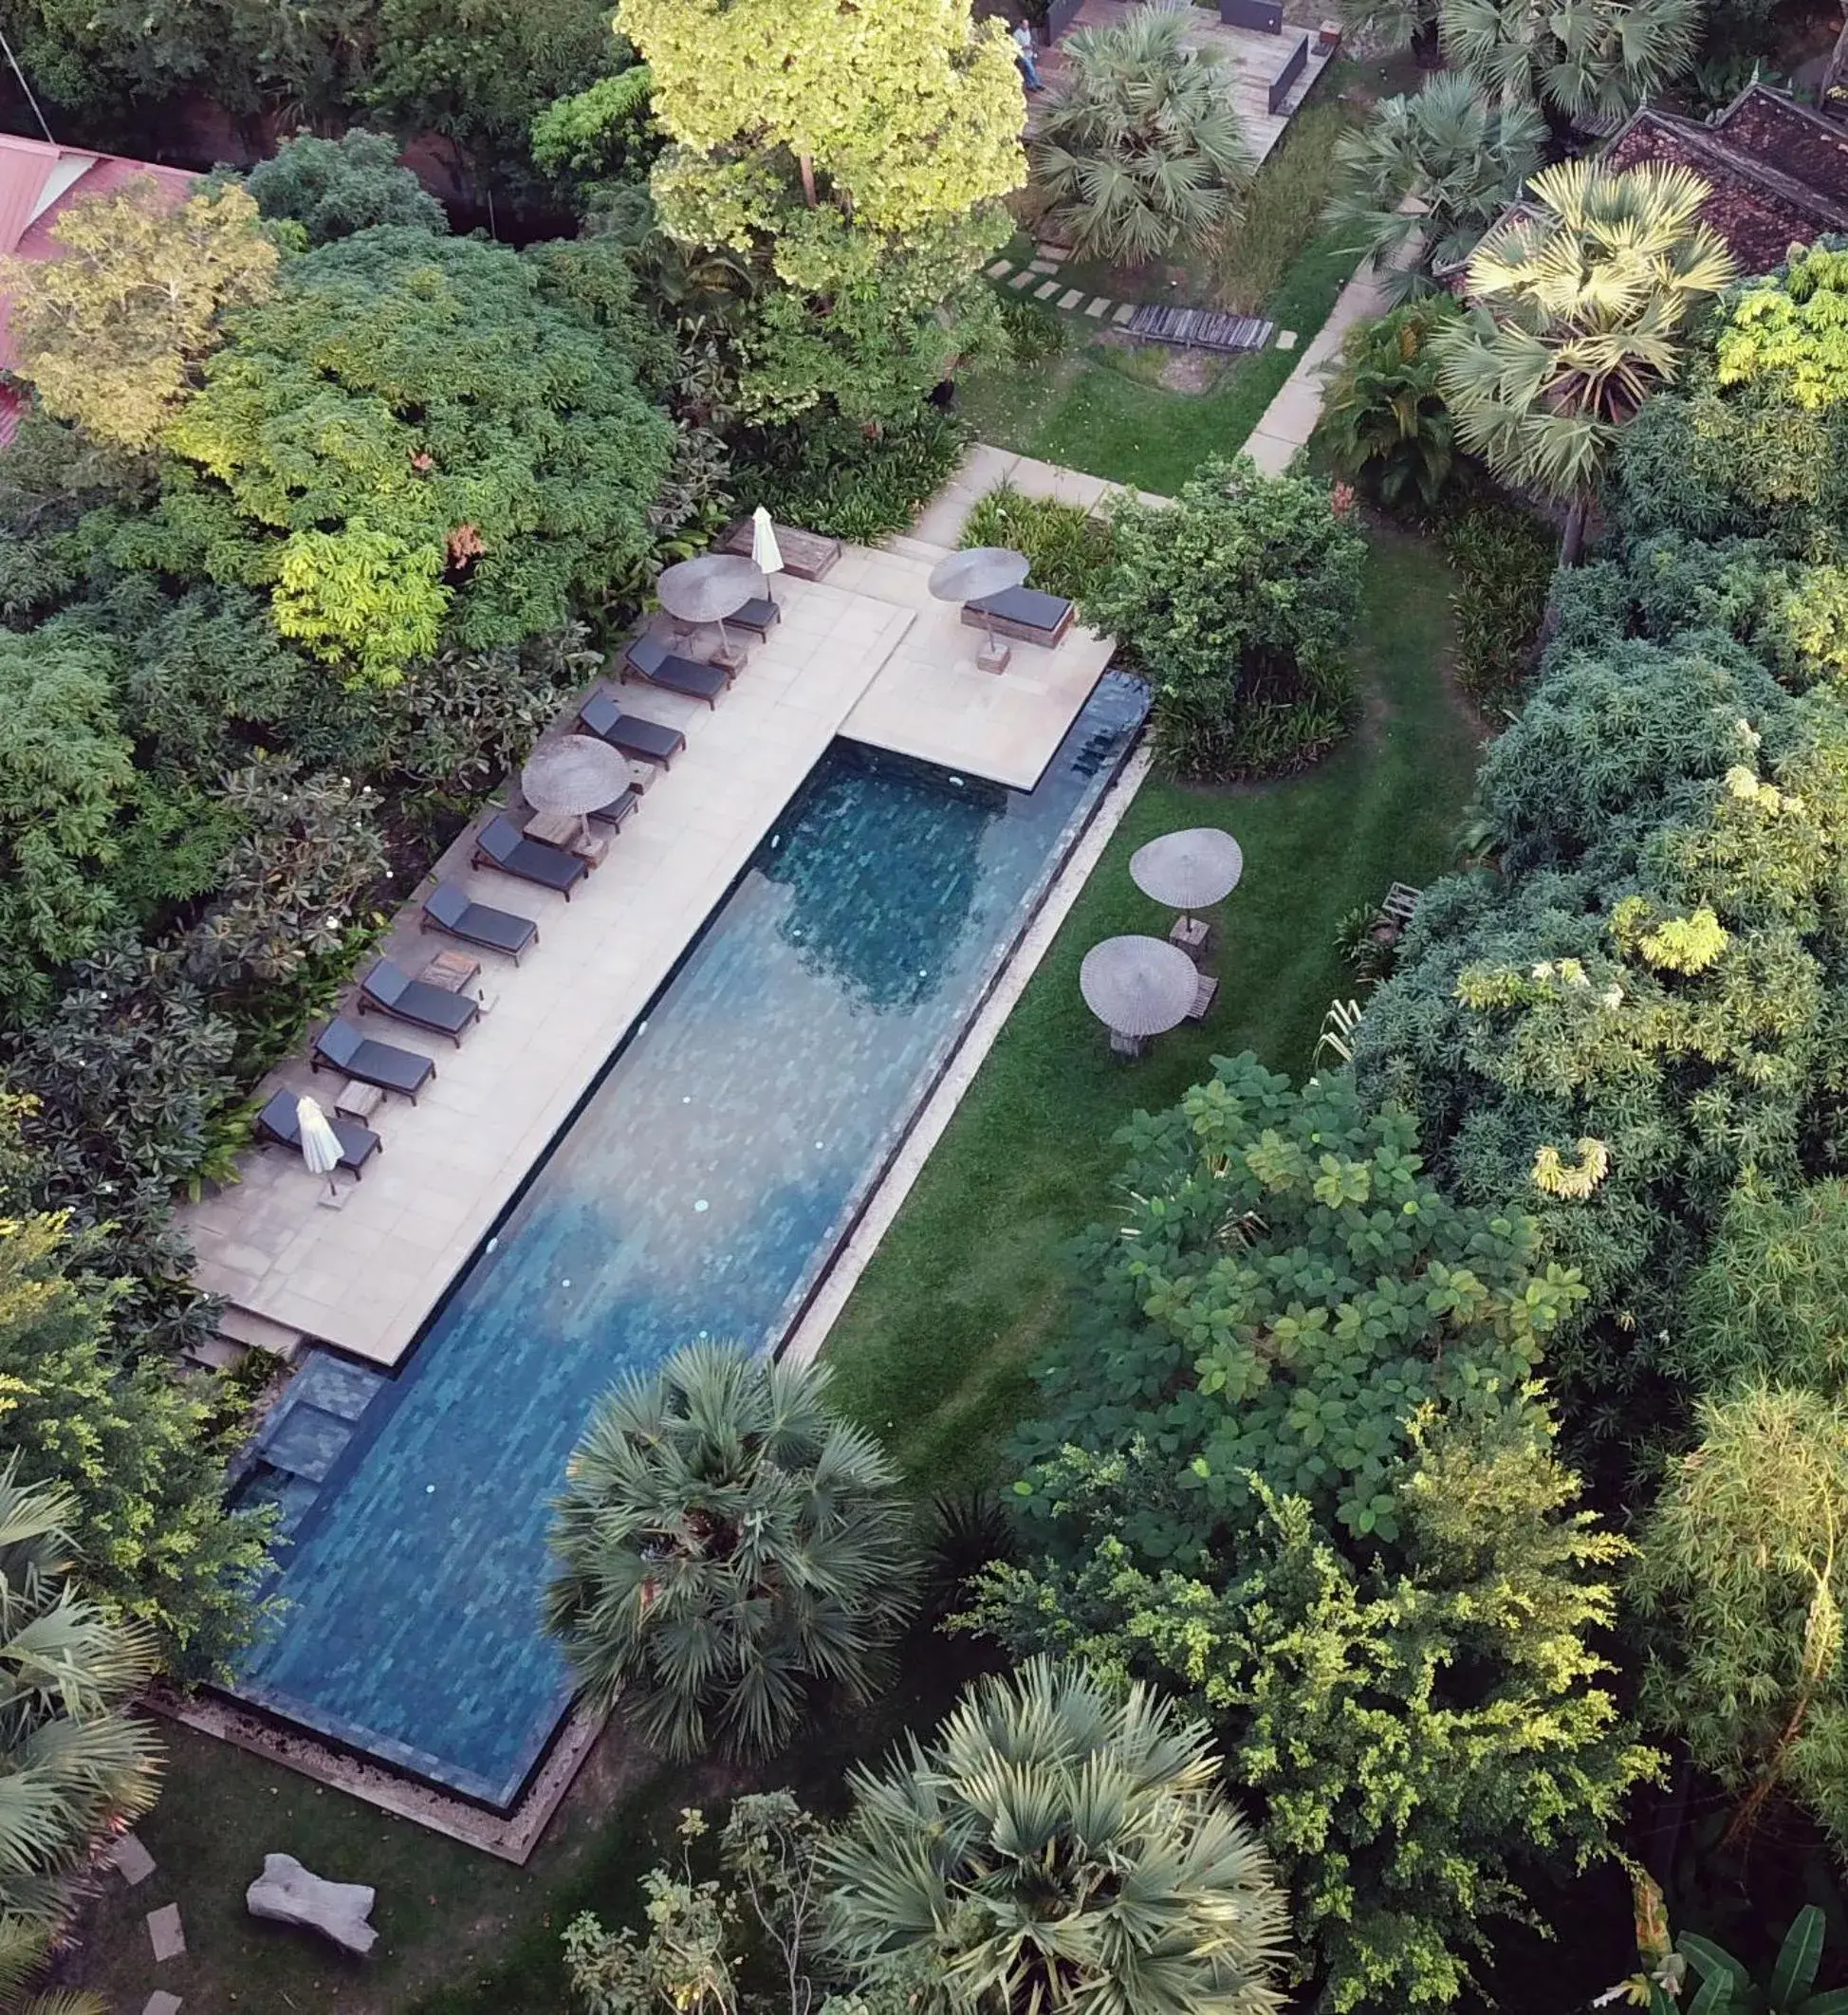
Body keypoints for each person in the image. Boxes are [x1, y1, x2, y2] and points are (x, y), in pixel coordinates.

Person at [1012, 20, 1044, 90]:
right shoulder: (1016, 34)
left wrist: (1032, 44)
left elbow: (1029, 40)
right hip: (1022, 55)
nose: (1026, 26)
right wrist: (1025, 47)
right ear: (1021, 25)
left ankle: (1029, 85)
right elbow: (1015, 46)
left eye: (1027, 25)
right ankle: (1037, 83)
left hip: (1029, 53)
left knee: (1028, 70)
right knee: (1031, 69)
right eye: (1024, 25)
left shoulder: (1027, 31)